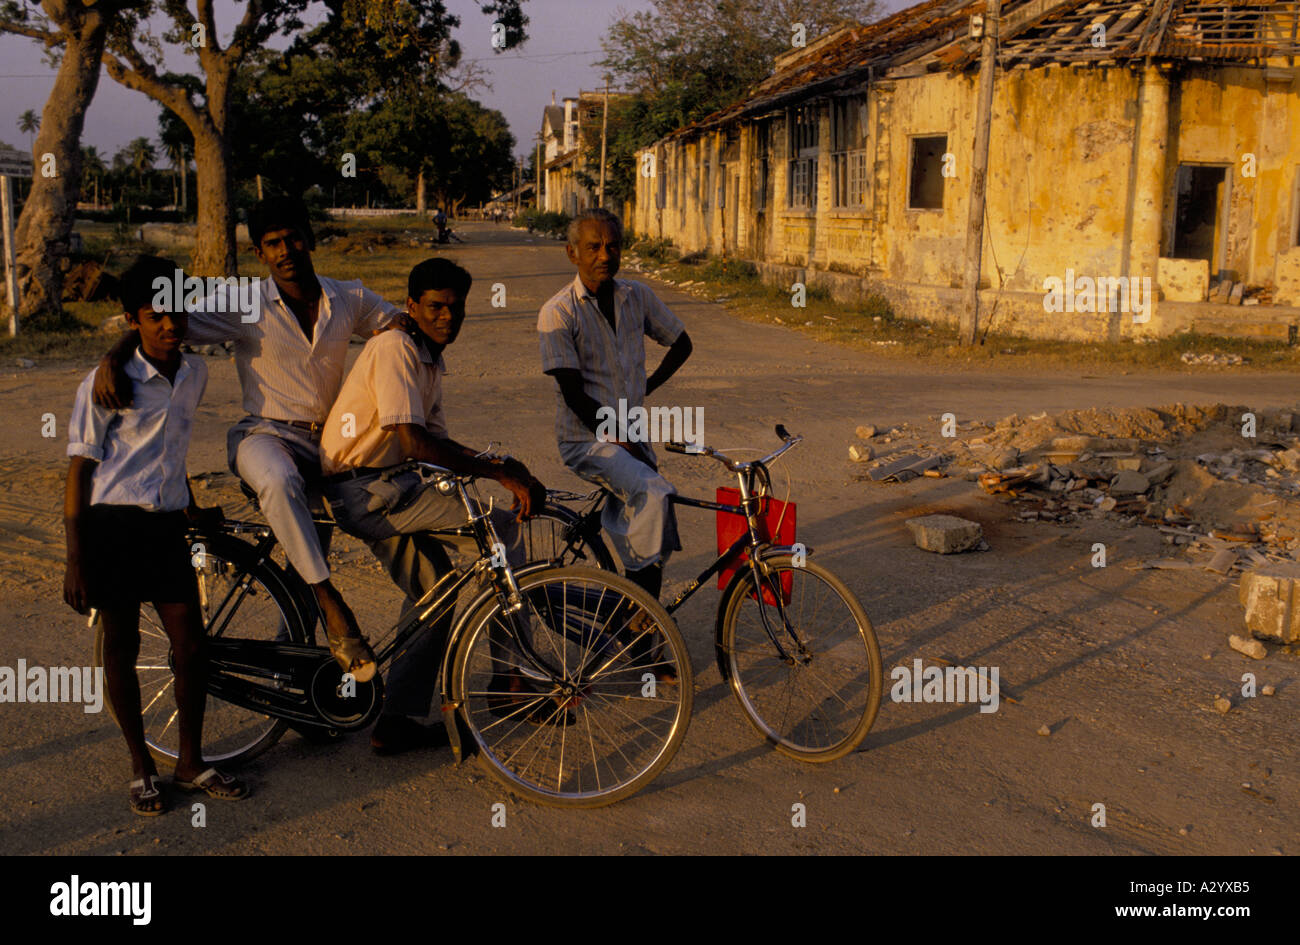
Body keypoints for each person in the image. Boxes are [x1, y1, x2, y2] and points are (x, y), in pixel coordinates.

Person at [92, 197, 399, 683]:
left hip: (330, 450)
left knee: (307, 560)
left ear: (310, 238)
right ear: (260, 252)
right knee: (278, 483)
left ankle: (296, 680)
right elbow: (166, 325)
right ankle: (333, 603)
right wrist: (114, 353)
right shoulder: (245, 302)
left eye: (294, 237)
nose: (286, 250)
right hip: (264, 436)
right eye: (272, 243)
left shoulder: (349, 298)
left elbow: (400, 328)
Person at [319, 257, 548, 754]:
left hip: (391, 484)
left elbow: (439, 442)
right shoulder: (396, 347)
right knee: (502, 530)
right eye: (435, 307)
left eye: (456, 307)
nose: (447, 317)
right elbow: (415, 441)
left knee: (438, 590)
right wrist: (500, 472)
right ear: (411, 307)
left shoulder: (429, 358)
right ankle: (510, 681)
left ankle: (395, 720)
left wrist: (500, 461)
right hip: (367, 491)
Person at [64, 255, 249, 815]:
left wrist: (190, 506)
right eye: (154, 316)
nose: (170, 326)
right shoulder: (108, 381)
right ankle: (141, 765)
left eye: (177, 313)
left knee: (191, 646)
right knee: (122, 645)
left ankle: (189, 761)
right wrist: (76, 557)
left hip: (167, 524)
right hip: (112, 526)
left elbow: (171, 449)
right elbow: (79, 469)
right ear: (132, 319)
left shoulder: (195, 374)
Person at [537, 208, 693, 607]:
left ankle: (636, 616)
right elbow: (572, 393)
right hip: (587, 440)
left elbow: (681, 343)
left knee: (658, 519)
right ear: (572, 253)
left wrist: (647, 385)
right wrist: (615, 436)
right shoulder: (559, 311)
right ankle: (637, 616)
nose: (604, 255)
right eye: (593, 247)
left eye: (612, 246)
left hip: (631, 436)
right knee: (653, 494)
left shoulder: (636, 296)